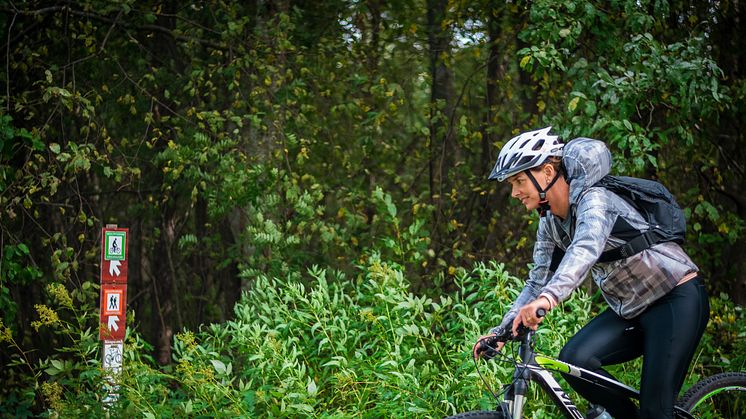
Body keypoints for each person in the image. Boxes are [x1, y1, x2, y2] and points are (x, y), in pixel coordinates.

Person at [473, 127, 710, 418]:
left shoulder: (595, 200)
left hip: (675, 297)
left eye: (519, 181)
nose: (514, 192)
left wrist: (548, 299)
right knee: (576, 360)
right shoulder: (550, 222)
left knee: (655, 411)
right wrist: (502, 330)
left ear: (547, 172)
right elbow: (537, 280)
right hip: (632, 308)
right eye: (512, 183)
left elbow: (585, 249)